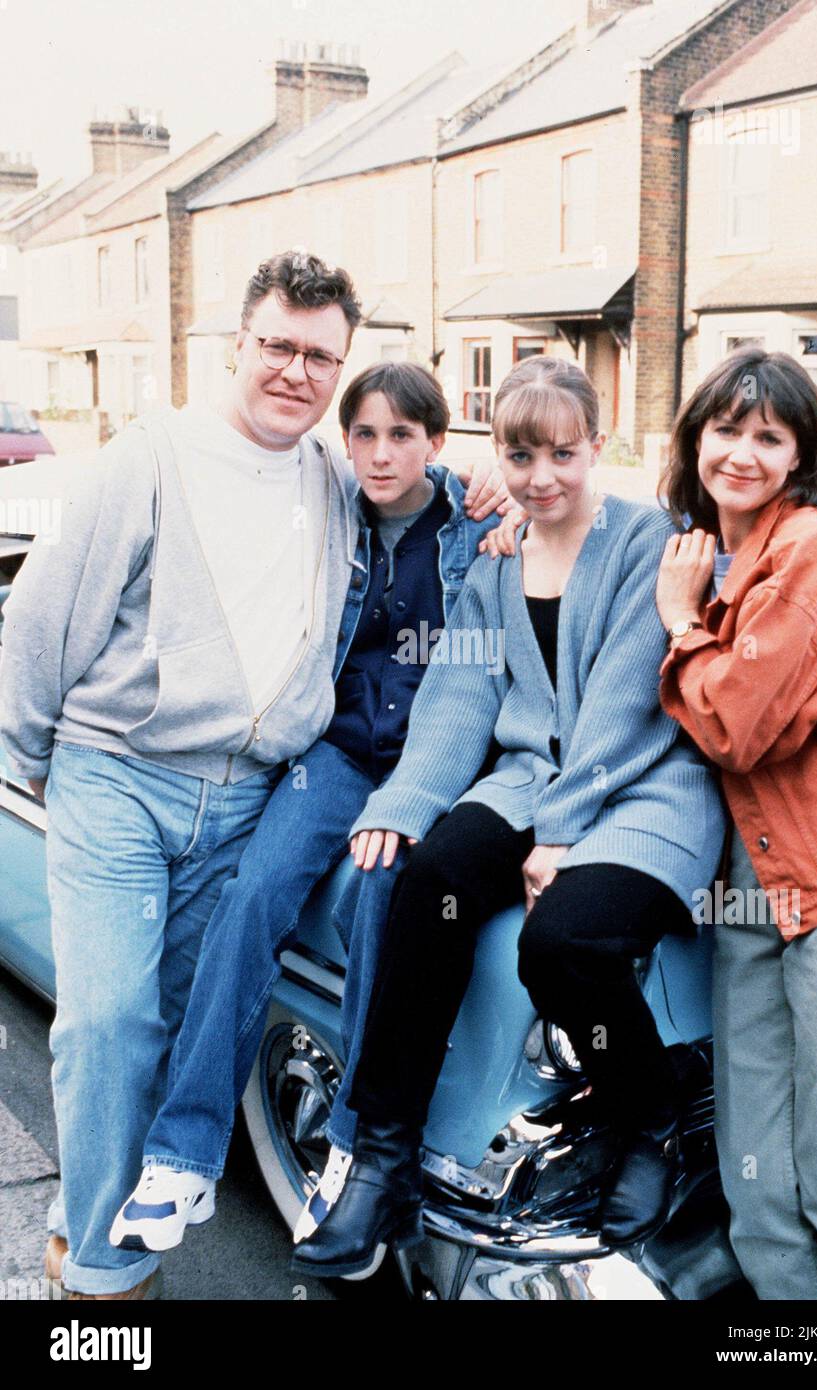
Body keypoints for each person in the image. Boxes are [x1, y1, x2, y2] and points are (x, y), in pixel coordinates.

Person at [0, 251, 504, 1300]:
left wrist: (486, 483)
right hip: (121, 775)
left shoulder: (330, 474)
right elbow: (43, 617)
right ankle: (100, 1283)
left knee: (180, 1020)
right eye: (277, 345)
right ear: (238, 344)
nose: (295, 370)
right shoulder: (152, 457)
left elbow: (419, 485)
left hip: (247, 793)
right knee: (107, 1022)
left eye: (319, 355)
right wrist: (30, 757)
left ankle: (83, 1214)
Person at [291, 355, 727, 1279]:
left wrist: (562, 835)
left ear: (596, 447)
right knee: (424, 882)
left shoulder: (648, 538)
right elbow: (460, 693)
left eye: (562, 455)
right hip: (534, 778)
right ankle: (383, 1161)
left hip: (644, 787)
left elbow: (623, 698)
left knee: (564, 943)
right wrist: (405, 803)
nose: (541, 478)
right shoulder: (499, 556)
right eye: (522, 456)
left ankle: (648, 1113)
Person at [108, 362, 505, 1255]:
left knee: (380, 900)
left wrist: (503, 493)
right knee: (250, 899)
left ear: (437, 443)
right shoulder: (328, 512)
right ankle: (184, 1155)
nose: (378, 452)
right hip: (333, 750)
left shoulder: (473, 527)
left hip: (431, 764)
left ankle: (351, 1141)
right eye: (362, 432)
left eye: (402, 434)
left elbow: (565, 527)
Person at [654, 346, 817, 1301]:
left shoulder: (807, 546)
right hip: (753, 889)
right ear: (695, 439)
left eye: (770, 436)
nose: (743, 454)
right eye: (726, 430)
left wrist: (683, 627)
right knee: (755, 1170)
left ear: (799, 457)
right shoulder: (704, 547)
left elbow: (737, 723)